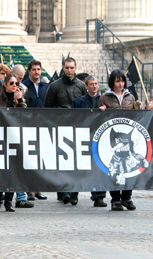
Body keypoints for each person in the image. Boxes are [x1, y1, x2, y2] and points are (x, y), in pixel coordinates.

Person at [44, 57, 87, 205]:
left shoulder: (82, 86)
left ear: (75, 68)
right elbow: (47, 108)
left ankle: (74, 192)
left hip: (77, 129)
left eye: (72, 67)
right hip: (59, 128)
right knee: (61, 161)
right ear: (63, 67)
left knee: (76, 162)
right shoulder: (54, 86)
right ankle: (62, 192)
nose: (69, 70)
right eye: (67, 67)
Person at [99, 69, 138, 211]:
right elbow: (99, 119)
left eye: (122, 80)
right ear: (112, 82)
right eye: (117, 81)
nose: (120, 83)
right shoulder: (105, 97)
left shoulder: (130, 97)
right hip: (113, 135)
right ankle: (115, 198)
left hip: (127, 135)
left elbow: (137, 115)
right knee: (115, 167)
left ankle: (127, 197)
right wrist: (101, 110)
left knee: (128, 166)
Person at [0, 74, 27, 212]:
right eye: (11, 83)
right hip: (0, 138)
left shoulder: (20, 98)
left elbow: (24, 115)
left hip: (15, 138)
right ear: (5, 84)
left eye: (16, 83)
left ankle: (9, 201)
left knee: (13, 171)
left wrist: (20, 100)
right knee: (1, 169)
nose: (14, 86)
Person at [71, 75, 107, 208]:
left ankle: (99, 196)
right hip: (82, 135)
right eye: (91, 84)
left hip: (98, 137)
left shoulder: (104, 101)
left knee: (98, 167)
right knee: (79, 166)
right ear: (86, 86)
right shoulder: (78, 101)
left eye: (96, 84)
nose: (94, 86)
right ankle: (74, 192)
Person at [22, 59, 49, 201]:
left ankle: (38, 189)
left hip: (43, 127)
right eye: (34, 69)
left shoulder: (46, 87)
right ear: (29, 71)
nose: (36, 72)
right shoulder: (24, 86)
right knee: (29, 159)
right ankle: (29, 190)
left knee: (40, 159)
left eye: (38, 69)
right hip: (28, 126)